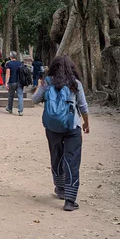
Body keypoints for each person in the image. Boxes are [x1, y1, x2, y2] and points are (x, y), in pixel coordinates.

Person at [32, 54, 90, 212]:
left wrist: (40, 85)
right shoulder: (75, 84)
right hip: (72, 127)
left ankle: (60, 188)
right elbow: (83, 106)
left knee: (56, 156)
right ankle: (70, 200)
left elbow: (35, 100)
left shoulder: (47, 83)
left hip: (52, 128)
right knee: (72, 160)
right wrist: (86, 123)